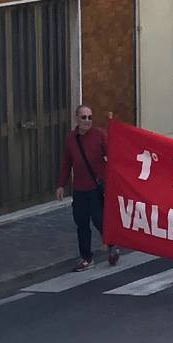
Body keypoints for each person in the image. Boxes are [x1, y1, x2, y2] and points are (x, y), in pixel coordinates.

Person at [56, 104, 118, 271]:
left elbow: (112, 154)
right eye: (84, 117)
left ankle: (112, 246)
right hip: (79, 189)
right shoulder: (71, 138)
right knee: (81, 223)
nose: (87, 121)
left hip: (96, 187)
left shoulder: (99, 135)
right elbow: (67, 162)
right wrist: (61, 185)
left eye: (90, 117)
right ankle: (86, 258)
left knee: (99, 220)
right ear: (77, 119)